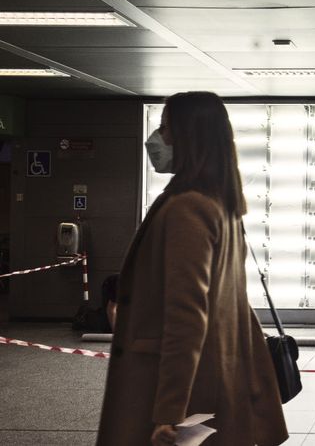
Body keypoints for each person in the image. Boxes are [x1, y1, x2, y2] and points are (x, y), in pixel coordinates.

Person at [97, 92, 288, 446]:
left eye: (165, 128)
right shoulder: (225, 207)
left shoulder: (188, 209)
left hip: (184, 394)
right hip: (218, 379)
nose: (157, 138)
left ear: (188, 136)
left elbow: (186, 315)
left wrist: (169, 412)